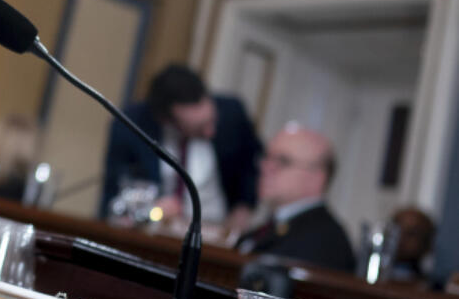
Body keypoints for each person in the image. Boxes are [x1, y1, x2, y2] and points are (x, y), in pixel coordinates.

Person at [100, 65, 262, 233]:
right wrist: (152, 209)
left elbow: (251, 165)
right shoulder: (130, 125)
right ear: (166, 120)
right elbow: (115, 196)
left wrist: (244, 207)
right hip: (157, 231)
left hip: (217, 228)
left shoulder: (232, 112)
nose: (210, 132)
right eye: (199, 128)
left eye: (211, 121)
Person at [235, 124, 356, 272]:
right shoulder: (272, 227)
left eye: (283, 161)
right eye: (267, 157)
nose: (266, 167)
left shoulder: (324, 241)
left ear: (316, 179)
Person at [389, 206, 436, 285]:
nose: (401, 238)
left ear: (426, 244)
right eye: (397, 230)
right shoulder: (364, 269)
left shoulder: (430, 287)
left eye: (411, 233)